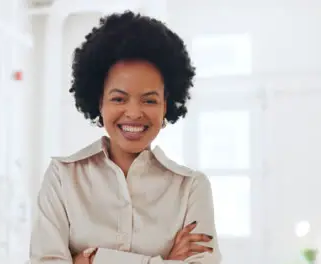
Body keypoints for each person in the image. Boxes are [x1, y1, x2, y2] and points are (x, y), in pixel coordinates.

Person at [30, 10, 221, 264]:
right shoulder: (62, 177)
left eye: (149, 100)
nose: (133, 113)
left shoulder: (191, 188)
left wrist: (94, 259)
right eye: (119, 98)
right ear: (99, 102)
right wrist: (162, 261)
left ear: (167, 104)